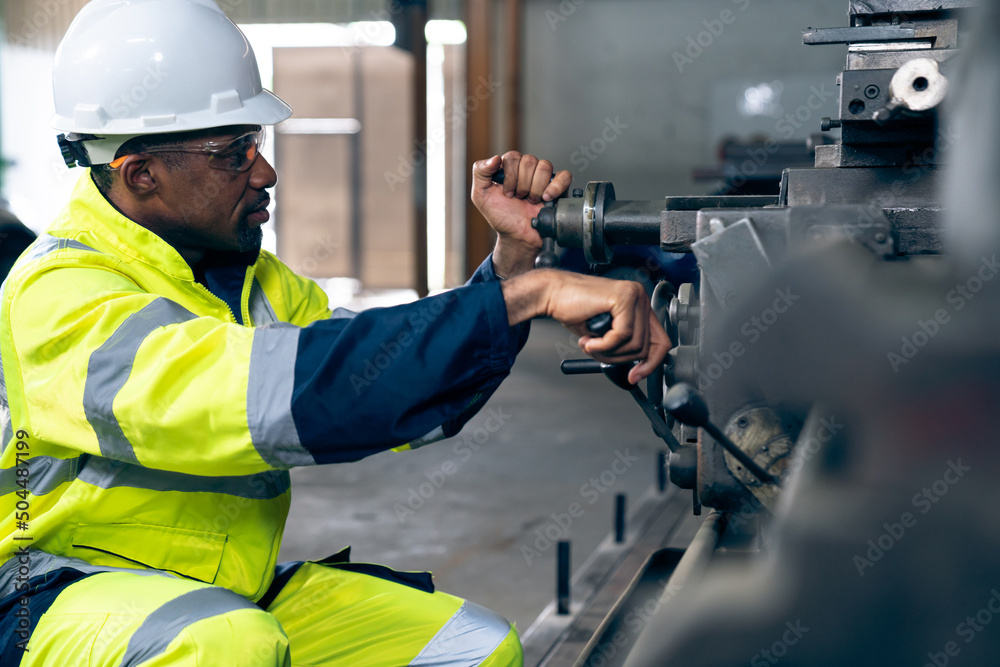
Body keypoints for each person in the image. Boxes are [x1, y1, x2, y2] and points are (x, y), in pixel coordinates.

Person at [0, 1, 669, 665]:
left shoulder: (249, 279)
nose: (265, 173)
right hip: (56, 598)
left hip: (227, 591)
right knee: (227, 644)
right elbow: (269, 396)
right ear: (141, 173)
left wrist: (513, 264)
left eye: (257, 145)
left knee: (473, 646)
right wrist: (533, 298)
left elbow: (380, 384)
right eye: (235, 153)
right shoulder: (58, 294)